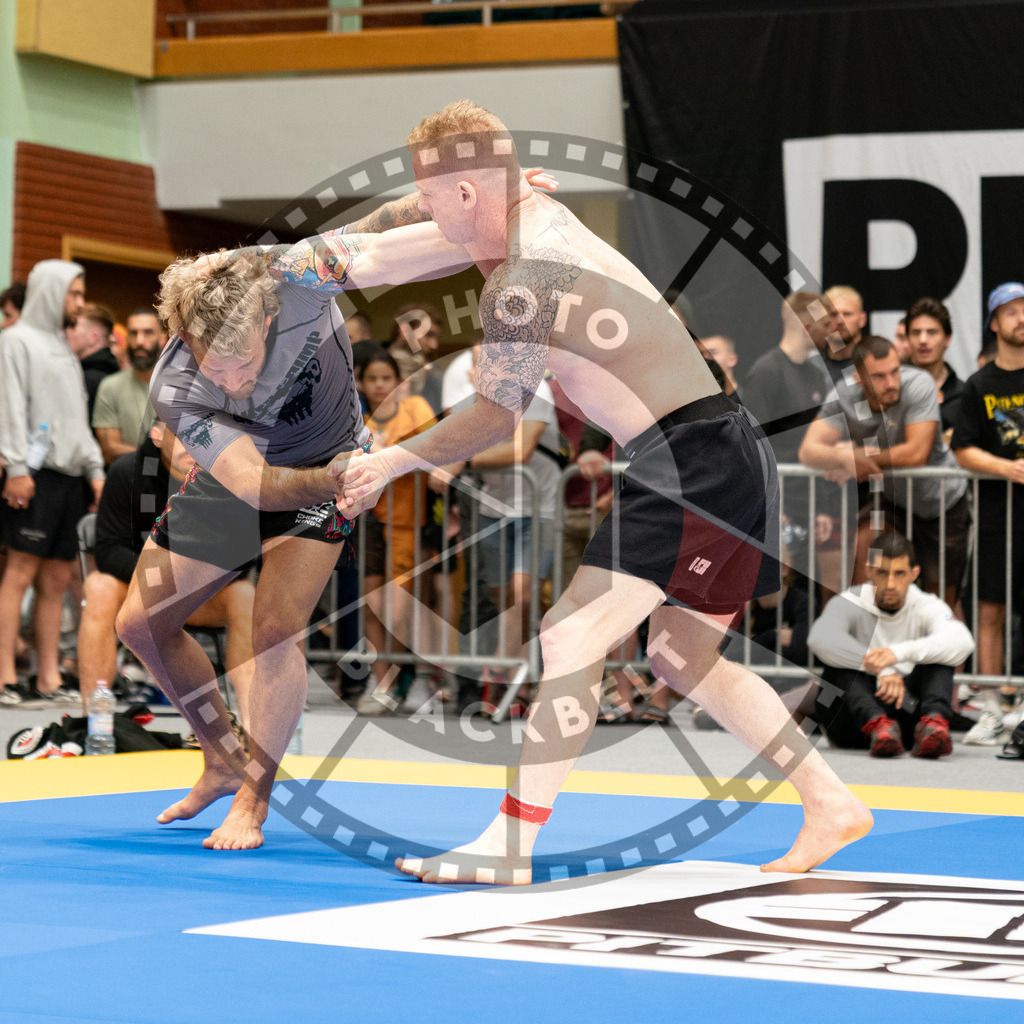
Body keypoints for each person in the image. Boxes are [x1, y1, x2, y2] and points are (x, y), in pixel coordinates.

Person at [333, 100, 871, 884]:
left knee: (572, 637)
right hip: (714, 447)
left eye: (432, 192)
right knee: (681, 655)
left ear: (469, 193)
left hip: (693, 457)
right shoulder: (530, 219)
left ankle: (511, 845)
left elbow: (494, 417)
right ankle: (830, 802)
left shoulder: (529, 271)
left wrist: (390, 461)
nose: (425, 208)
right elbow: (402, 231)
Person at [113, 172, 556, 850]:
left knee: (275, 626)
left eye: (240, 361)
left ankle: (254, 800)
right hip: (259, 476)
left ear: (267, 319)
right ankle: (221, 756)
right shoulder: (176, 382)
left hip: (330, 470)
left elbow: (385, 223)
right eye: (213, 367)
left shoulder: (295, 277)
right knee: (141, 622)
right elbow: (256, 485)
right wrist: (330, 475)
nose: (230, 379)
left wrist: (491, 199)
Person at [79, 419, 256, 723]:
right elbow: (108, 550)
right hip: (141, 589)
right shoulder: (127, 472)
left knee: (245, 595)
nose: (192, 445)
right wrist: (164, 578)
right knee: (99, 587)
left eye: (203, 437)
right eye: (183, 435)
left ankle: (252, 724)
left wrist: (189, 578)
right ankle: (95, 722)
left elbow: (245, 559)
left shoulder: (229, 476)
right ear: (158, 435)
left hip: (200, 594)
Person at [799, 335, 970, 607]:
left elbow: (916, 453)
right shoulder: (844, 395)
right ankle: (862, 639)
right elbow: (808, 451)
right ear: (858, 377)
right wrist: (845, 457)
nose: (891, 383)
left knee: (940, 600)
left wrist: (858, 458)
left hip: (942, 503)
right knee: (867, 555)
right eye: (879, 376)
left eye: (894, 372)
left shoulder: (918, 384)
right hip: (894, 502)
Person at [0, 260, 104, 705]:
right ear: (51, 292)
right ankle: (5, 676)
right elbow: (10, 408)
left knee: (57, 582)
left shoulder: (63, 348)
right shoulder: (15, 341)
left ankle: (47, 678)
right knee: (19, 574)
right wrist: (17, 467)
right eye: (74, 294)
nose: (79, 304)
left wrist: (95, 470)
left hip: (69, 479)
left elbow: (75, 422)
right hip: (33, 476)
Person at [807, 532, 974, 758]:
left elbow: (962, 641)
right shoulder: (850, 601)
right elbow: (819, 638)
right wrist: (880, 668)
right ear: (868, 571)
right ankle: (877, 724)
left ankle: (933, 725)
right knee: (838, 661)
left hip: (908, 722)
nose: (890, 583)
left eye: (899, 573)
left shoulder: (927, 604)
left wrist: (894, 655)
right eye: (882, 573)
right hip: (853, 727)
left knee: (943, 655)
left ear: (914, 574)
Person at [951, 282, 1024, 747]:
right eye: (1012, 311)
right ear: (994, 322)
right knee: (990, 608)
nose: (1021, 318)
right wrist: (1007, 468)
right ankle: (995, 706)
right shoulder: (979, 384)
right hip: (998, 513)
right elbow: (962, 450)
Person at [354, 349, 442, 715]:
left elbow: (438, 444)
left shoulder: (416, 408)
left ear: (398, 382)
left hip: (412, 518)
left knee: (403, 605)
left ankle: (418, 677)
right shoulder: (358, 416)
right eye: (372, 378)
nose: (379, 385)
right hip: (367, 518)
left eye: (386, 378)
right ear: (361, 381)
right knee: (372, 601)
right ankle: (382, 682)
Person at [92, 308, 168, 464]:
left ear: (162, 338)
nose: (139, 341)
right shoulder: (110, 387)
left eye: (148, 333)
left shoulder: (180, 386)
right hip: (127, 480)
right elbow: (109, 450)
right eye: (133, 333)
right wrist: (157, 459)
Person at [905, 297, 964, 441]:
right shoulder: (892, 388)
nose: (923, 340)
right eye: (916, 332)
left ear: (947, 338)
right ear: (907, 338)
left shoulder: (965, 393)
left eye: (932, 332)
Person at [68, 303, 120, 420]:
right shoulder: (115, 373)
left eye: (74, 327)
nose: (68, 333)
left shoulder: (84, 380)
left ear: (94, 337)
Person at [700, 334, 741, 402]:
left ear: (732, 359)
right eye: (700, 354)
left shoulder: (748, 401)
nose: (705, 359)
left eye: (712, 353)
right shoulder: (696, 405)